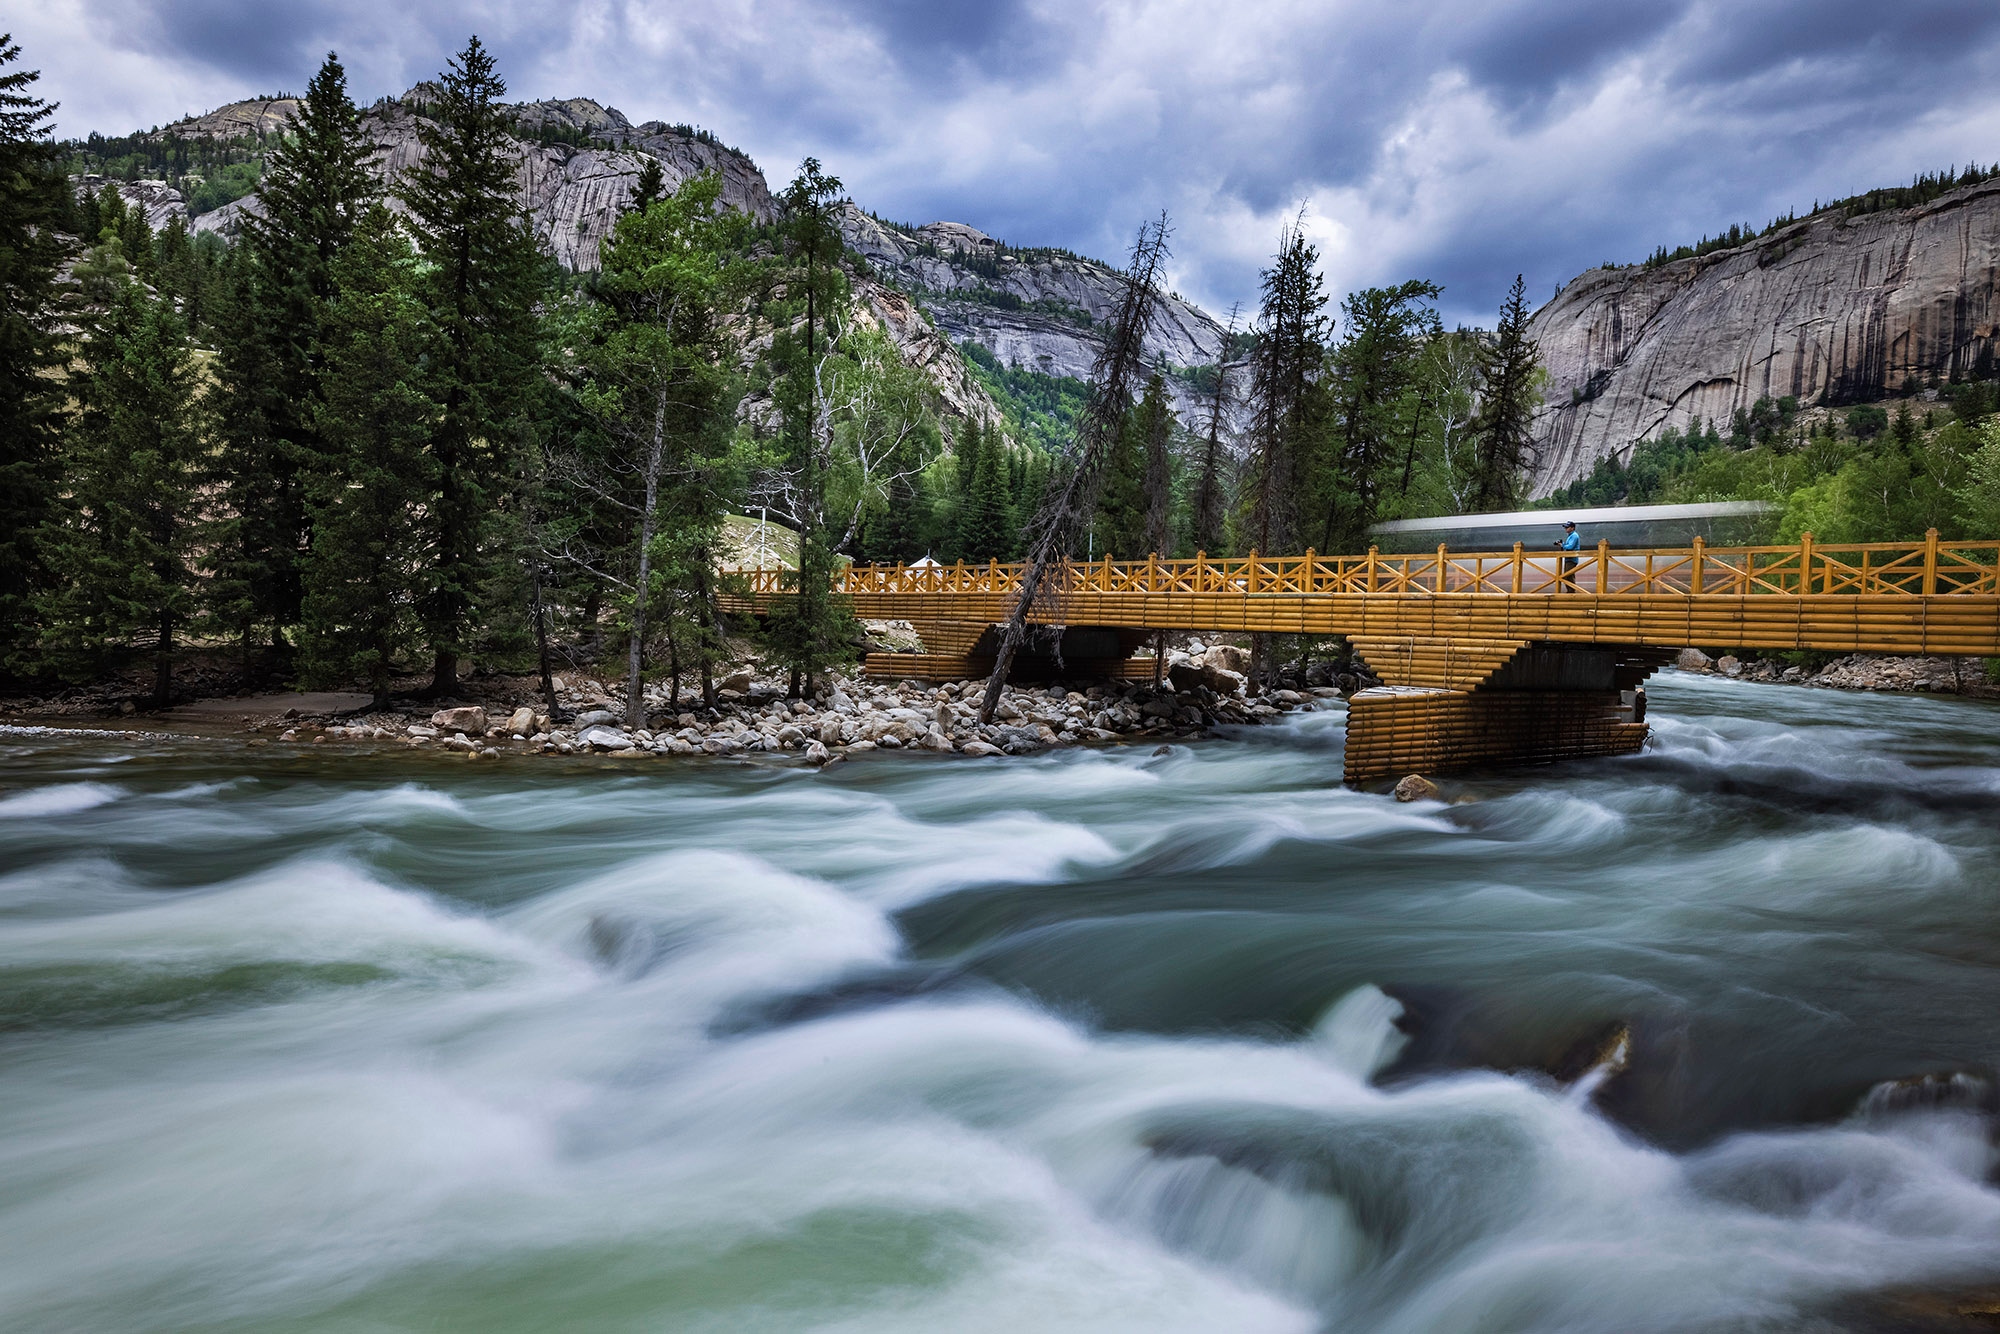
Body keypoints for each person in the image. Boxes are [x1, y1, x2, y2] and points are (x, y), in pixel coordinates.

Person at [1554, 520, 1581, 591]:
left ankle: (1571, 591)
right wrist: (1563, 544)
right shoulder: (1570, 536)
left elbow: (1570, 547)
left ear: (1572, 528)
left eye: (1567, 527)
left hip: (1572, 559)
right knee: (1568, 575)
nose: (1566, 529)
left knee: (1568, 575)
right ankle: (1570, 590)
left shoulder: (1574, 536)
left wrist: (1562, 545)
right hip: (1569, 558)